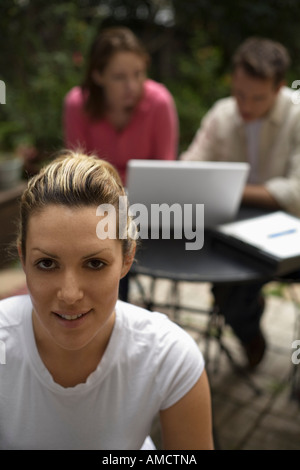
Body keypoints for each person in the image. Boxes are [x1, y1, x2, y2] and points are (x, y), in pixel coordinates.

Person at [0, 150, 214, 450]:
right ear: (24, 260)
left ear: (127, 259)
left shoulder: (168, 356)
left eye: (95, 264)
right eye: (47, 263)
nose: (70, 295)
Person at [181, 37, 300, 368]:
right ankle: (250, 335)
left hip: (293, 238)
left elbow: (298, 194)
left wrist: (229, 188)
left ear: (279, 89)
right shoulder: (223, 113)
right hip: (237, 238)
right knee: (227, 294)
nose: (245, 105)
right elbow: (190, 168)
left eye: (257, 97)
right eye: (239, 93)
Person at [63, 26, 178, 185]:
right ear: (98, 75)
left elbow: (165, 171)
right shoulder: (77, 104)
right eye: (119, 77)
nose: (132, 86)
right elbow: (76, 172)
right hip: (95, 201)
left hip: (148, 201)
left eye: (138, 74)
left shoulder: (160, 102)